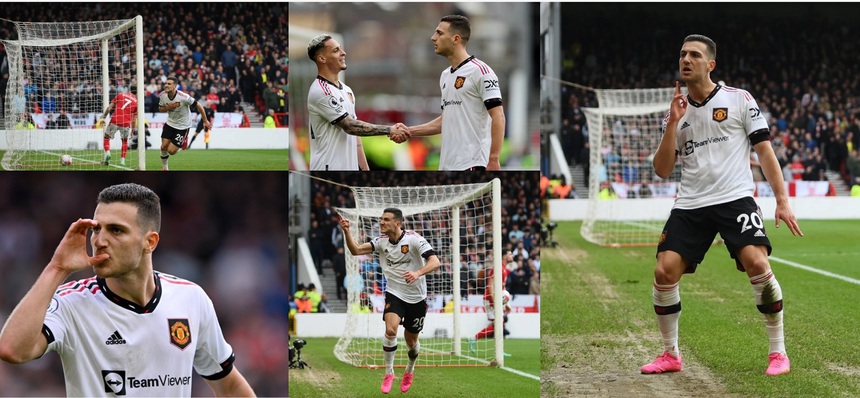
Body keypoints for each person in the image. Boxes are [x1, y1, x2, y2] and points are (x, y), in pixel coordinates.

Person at [641, 34, 803, 377]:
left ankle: (778, 353)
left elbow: (765, 152)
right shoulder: (676, 111)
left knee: (757, 262)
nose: (686, 60)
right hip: (690, 203)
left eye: (694, 55)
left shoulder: (739, 99)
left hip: (735, 198)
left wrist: (782, 201)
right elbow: (662, 169)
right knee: (664, 271)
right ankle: (670, 354)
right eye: (683, 54)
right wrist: (673, 122)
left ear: (710, 64)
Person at [0, 183, 255, 396]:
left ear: (150, 242)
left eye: (116, 230)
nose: (99, 241)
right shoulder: (71, 303)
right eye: (96, 229)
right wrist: (56, 268)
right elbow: (12, 349)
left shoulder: (191, 298)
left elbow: (230, 386)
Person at [340, 208, 440, 394]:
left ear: (397, 223)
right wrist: (346, 231)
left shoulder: (414, 239)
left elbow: (435, 262)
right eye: (381, 219)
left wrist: (417, 273)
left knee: (411, 342)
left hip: (416, 297)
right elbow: (356, 250)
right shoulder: (380, 241)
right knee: (390, 330)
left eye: (386, 219)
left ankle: (409, 369)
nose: (382, 222)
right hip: (395, 292)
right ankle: (389, 373)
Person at [405, 15, 506, 171]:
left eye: (439, 33)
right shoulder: (445, 75)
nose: (433, 38)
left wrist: (493, 159)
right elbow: (446, 119)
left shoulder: (481, 71)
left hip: (472, 164)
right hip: (447, 165)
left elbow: (498, 115)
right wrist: (409, 131)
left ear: (456, 39)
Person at [306, 34, 410, 171]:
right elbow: (350, 126)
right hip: (328, 166)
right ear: (322, 58)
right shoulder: (321, 91)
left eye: (341, 48)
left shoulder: (346, 90)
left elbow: (355, 135)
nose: (343, 53)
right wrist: (389, 129)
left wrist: (365, 168)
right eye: (336, 50)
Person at [158, 76, 211, 171]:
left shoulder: (183, 97)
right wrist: (168, 108)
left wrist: (205, 120)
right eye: (165, 83)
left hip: (183, 126)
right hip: (170, 123)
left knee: (171, 151)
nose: (166, 85)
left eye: (169, 84)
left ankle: (182, 142)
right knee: (163, 147)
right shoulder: (162, 95)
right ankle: (165, 168)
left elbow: (199, 105)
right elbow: (161, 108)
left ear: (175, 86)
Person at [468, 252, 512, 354]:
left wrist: (507, 304)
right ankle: (474, 339)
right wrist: (494, 301)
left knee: (499, 324)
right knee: (498, 324)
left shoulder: (504, 269)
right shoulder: (498, 268)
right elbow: (490, 285)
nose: (512, 256)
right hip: (490, 298)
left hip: (494, 299)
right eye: (510, 254)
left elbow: (502, 288)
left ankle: (498, 350)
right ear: (504, 256)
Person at [100, 87, 138, 166]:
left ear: (129, 90)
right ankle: (122, 160)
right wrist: (132, 130)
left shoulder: (120, 95)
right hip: (126, 123)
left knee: (106, 138)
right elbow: (134, 120)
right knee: (124, 141)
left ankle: (108, 153)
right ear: (137, 93)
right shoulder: (136, 102)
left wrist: (103, 117)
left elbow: (109, 108)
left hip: (115, 120)